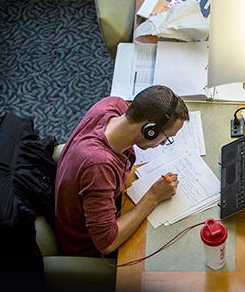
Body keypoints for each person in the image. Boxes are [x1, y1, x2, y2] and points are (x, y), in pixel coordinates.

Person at [54, 85, 190, 257]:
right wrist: (153, 197)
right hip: (88, 248)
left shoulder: (112, 105)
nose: (163, 143)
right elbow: (106, 243)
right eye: (167, 137)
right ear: (150, 131)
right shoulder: (98, 166)